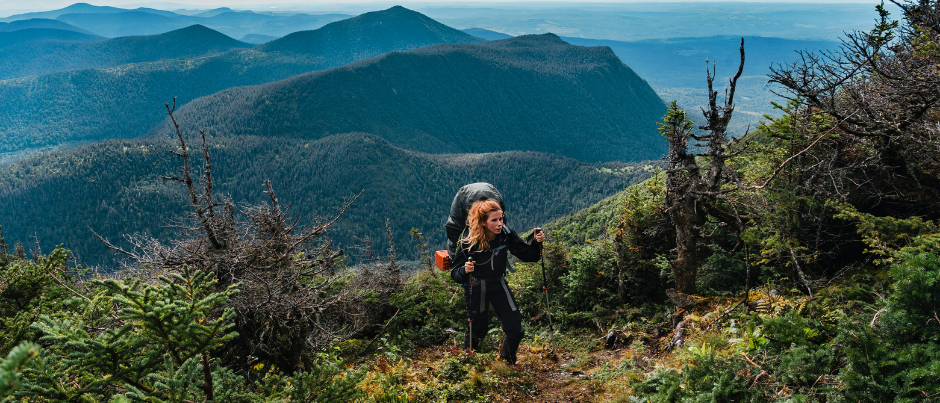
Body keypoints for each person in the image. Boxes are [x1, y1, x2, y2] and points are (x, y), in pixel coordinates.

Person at [450, 199, 545, 364]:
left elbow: (528, 255)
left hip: (498, 282)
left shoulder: (505, 235)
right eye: (494, 220)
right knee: (477, 331)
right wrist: (465, 270)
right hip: (477, 286)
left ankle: (507, 363)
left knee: (515, 326)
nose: (499, 223)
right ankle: (467, 367)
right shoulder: (469, 241)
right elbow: (455, 274)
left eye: (501, 218)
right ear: (483, 222)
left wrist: (537, 243)